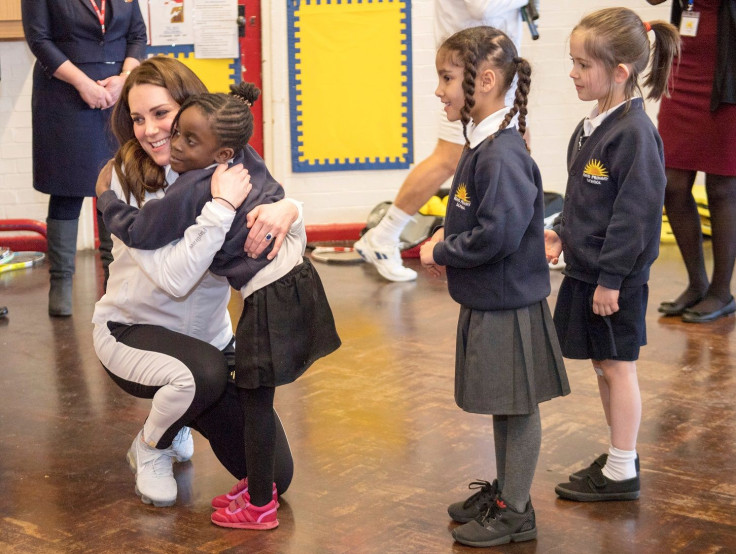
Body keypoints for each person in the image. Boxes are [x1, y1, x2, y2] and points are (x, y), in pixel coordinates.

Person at [98, 82, 342, 530]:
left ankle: (186, 418)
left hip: (217, 334)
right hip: (132, 331)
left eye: (162, 115)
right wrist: (111, 199)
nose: (155, 132)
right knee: (203, 373)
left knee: (273, 474)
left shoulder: (212, 164)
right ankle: (153, 444)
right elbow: (175, 277)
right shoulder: (137, 176)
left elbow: (272, 193)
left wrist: (290, 208)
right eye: (137, 118)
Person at [419, 26, 569, 548]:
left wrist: (442, 251)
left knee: (518, 407)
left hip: (509, 304)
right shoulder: (483, 142)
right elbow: (478, 216)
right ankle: (507, 492)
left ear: (483, 80)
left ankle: (517, 512)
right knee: (506, 403)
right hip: (491, 298)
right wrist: (445, 233)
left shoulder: (500, 153)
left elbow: (498, 235)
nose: (438, 90)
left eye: (446, 78)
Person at [545, 8, 679, 502]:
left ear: (619, 72)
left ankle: (623, 469)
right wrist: (561, 233)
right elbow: (586, 198)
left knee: (618, 366)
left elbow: (635, 215)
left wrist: (612, 279)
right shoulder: (594, 123)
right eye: (574, 62)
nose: (574, 73)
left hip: (613, 279)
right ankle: (620, 455)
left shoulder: (636, 133)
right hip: (589, 270)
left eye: (583, 65)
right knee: (603, 364)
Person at [355, 0, 527, 282]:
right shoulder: (463, 84)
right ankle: (384, 235)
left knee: (516, 144)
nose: (437, 90)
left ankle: (531, 237)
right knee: (449, 158)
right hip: (470, 76)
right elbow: (480, 8)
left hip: (491, 77)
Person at [21, 0, 147, 315]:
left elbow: (137, 35)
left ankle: (116, 284)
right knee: (67, 188)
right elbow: (39, 40)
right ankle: (61, 285)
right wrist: (82, 83)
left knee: (115, 188)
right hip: (65, 94)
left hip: (116, 97)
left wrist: (125, 78)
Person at [649, 0, 736, 323]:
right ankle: (697, 283)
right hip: (682, 73)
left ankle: (721, 291)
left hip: (728, 77)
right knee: (671, 183)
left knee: (722, 187)